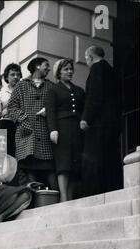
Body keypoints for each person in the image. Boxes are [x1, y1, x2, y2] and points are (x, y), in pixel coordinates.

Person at [7, 57, 58, 190]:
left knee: (50, 169)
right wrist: (24, 120)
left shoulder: (51, 86)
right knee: (29, 170)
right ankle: (33, 204)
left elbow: (57, 106)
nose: (49, 68)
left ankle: (55, 200)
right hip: (26, 134)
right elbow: (11, 107)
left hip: (46, 133)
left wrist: (49, 110)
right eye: (46, 65)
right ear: (37, 66)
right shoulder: (21, 85)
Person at [81, 45, 123, 196]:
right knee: (110, 157)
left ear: (91, 57)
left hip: (99, 122)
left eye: (86, 59)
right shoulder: (112, 70)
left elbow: (95, 96)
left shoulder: (97, 68)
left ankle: (95, 193)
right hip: (113, 122)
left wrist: (86, 118)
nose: (86, 62)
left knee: (95, 159)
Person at [46, 58, 85, 202]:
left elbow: (83, 109)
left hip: (77, 130)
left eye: (71, 69)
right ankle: (63, 197)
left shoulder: (79, 90)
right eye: (66, 69)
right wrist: (53, 130)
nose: (70, 72)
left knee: (75, 165)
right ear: (58, 72)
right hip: (61, 130)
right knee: (64, 164)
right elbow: (50, 111)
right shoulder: (53, 89)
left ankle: (70, 197)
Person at [0, 63, 23, 156]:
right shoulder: (1, 94)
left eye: (18, 74)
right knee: (4, 154)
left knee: (17, 153)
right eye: (12, 74)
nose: (15, 77)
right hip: (5, 124)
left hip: (19, 125)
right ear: (7, 77)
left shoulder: (24, 92)